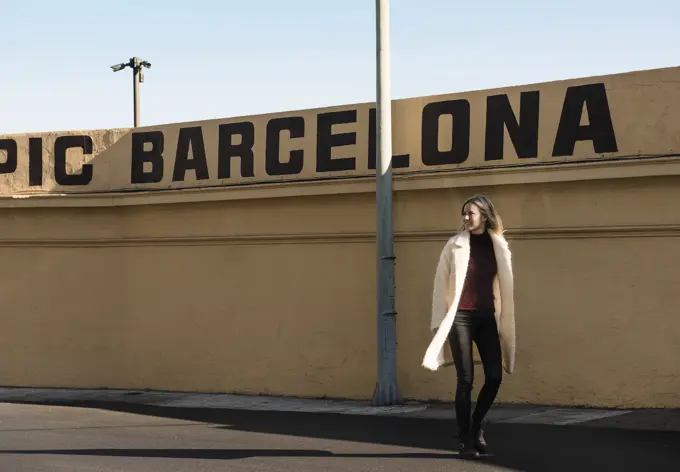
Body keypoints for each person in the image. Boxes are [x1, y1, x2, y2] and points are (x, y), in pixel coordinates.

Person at [422, 195, 516, 458]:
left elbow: (504, 286)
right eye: (464, 213)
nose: (465, 218)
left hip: (487, 317)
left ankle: (476, 425)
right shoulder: (453, 246)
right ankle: (465, 439)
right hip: (459, 318)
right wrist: (439, 321)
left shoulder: (498, 245)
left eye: (470, 213)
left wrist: (502, 317)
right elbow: (439, 285)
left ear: (484, 216)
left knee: (495, 377)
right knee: (465, 380)